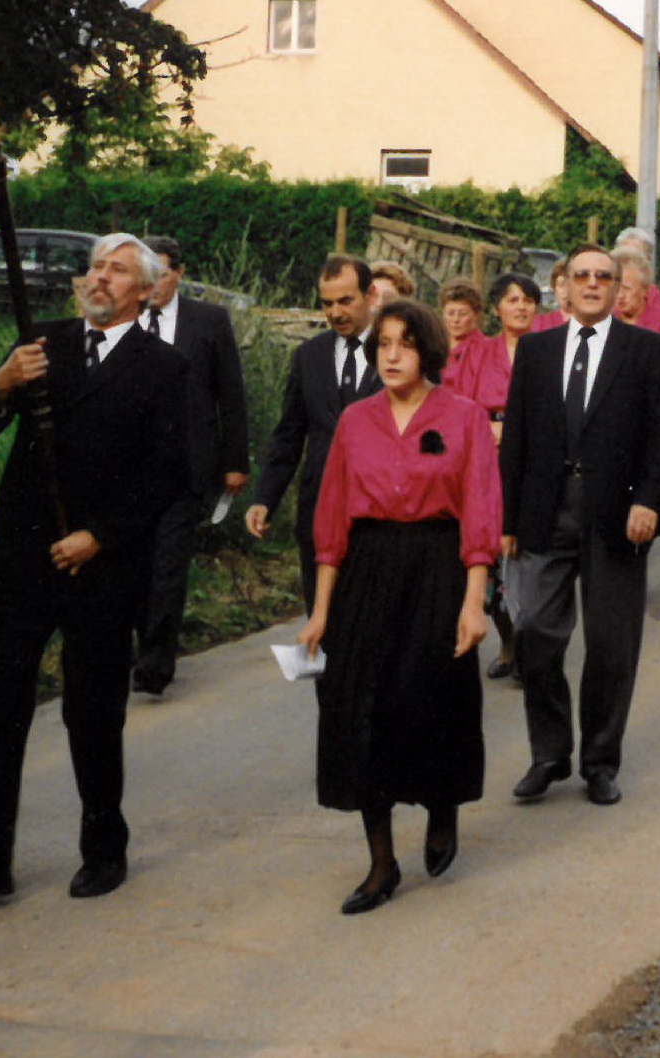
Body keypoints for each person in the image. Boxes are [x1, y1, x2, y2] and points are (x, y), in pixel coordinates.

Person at [0, 234, 190, 900]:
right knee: (0, 700)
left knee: (92, 708)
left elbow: (166, 474)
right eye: (96, 267)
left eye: (118, 270)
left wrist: (101, 535)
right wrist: (2, 382)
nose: (100, 278)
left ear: (146, 289)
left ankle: (104, 847)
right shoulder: (40, 344)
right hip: (24, 552)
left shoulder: (163, 367)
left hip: (101, 564)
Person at [298, 300, 498, 914]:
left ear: (426, 352)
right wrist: (321, 611)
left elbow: (481, 510)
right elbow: (330, 518)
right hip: (368, 570)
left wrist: (474, 602)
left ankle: (442, 808)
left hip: (439, 568)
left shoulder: (463, 417)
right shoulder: (355, 422)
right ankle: (382, 863)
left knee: (432, 697)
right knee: (362, 708)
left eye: (404, 345)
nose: (390, 355)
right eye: (382, 343)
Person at [499, 244, 660, 806]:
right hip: (544, 514)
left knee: (610, 644)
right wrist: (508, 519)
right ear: (564, 287)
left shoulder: (647, 351)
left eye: (604, 277)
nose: (593, 285)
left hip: (617, 518)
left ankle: (600, 761)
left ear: (619, 288)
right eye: (582, 277)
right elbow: (518, 441)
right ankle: (549, 755)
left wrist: (649, 500)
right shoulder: (536, 350)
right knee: (534, 634)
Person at [132, 235, 250, 696]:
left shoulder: (208, 322)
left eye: (162, 272)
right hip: (132, 471)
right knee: (136, 566)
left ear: (179, 274)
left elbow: (231, 394)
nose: (155, 283)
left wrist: (235, 461)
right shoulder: (125, 322)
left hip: (187, 469)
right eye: (147, 273)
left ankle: (156, 662)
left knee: (168, 567)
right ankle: (138, 644)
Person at [246, 255, 382, 610]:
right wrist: (264, 499)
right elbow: (289, 434)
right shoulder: (309, 356)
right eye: (327, 303)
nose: (335, 313)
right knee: (324, 613)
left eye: (345, 301)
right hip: (320, 506)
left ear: (371, 295)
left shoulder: (395, 352)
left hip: (380, 511)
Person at [460, 271, 542, 677]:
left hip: (535, 462)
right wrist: (487, 429)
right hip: (488, 462)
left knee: (531, 560)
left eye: (528, 299)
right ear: (496, 309)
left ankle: (533, 650)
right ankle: (508, 642)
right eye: (512, 300)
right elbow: (462, 404)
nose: (521, 306)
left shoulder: (548, 351)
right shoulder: (479, 353)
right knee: (491, 558)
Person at [439, 277, 487, 395]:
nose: (456, 320)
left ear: (475, 314)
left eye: (463, 314)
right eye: (450, 313)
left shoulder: (486, 350)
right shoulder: (433, 345)